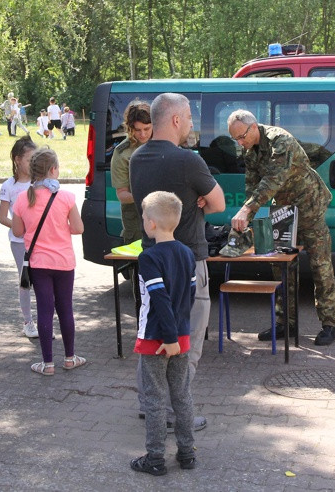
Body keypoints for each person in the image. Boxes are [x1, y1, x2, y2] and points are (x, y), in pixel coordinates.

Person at [129, 92, 225, 432]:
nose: (190, 124)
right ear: (174, 120)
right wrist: (198, 199)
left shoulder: (136, 158)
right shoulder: (189, 161)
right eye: (187, 118)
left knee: (151, 331)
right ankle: (175, 413)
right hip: (187, 261)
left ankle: (150, 405)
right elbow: (219, 204)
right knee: (187, 339)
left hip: (151, 260)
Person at [227, 109, 335, 346]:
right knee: (281, 267)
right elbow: (252, 185)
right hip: (284, 211)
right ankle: (285, 323)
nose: (240, 142)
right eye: (235, 139)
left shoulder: (281, 140)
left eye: (242, 136)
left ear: (254, 127)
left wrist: (247, 210)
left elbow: (273, 180)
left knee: (321, 265)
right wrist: (248, 215)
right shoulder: (250, 150)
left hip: (310, 206)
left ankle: (329, 325)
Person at [130, 191, 197, 476]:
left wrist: (168, 338)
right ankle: (187, 453)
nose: (143, 220)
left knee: (155, 399)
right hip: (181, 334)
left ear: (152, 224)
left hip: (157, 338)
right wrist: (178, 334)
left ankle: (155, 457)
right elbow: (189, 296)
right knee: (182, 395)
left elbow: (160, 300)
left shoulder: (149, 257)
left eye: (144, 216)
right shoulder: (187, 252)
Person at [12, 148, 85, 375]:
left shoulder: (23, 198)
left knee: (44, 309)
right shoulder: (65, 197)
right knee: (65, 309)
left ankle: (47, 363)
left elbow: (17, 230)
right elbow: (78, 228)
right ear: (53, 170)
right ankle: (70, 357)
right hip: (63, 262)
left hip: (39, 263)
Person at [0, 136, 39, 338]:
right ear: (17, 160)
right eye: (29, 159)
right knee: (26, 280)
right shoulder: (9, 186)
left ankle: (44, 321)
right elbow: (2, 217)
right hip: (19, 242)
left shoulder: (39, 184)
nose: (32, 164)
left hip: (40, 241)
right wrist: (19, 228)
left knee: (42, 280)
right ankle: (28, 321)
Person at [112, 101, 152, 245]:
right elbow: (122, 194)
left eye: (147, 129)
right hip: (136, 223)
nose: (143, 134)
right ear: (130, 128)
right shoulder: (122, 152)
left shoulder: (163, 142)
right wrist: (147, 197)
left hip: (166, 221)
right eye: (137, 130)